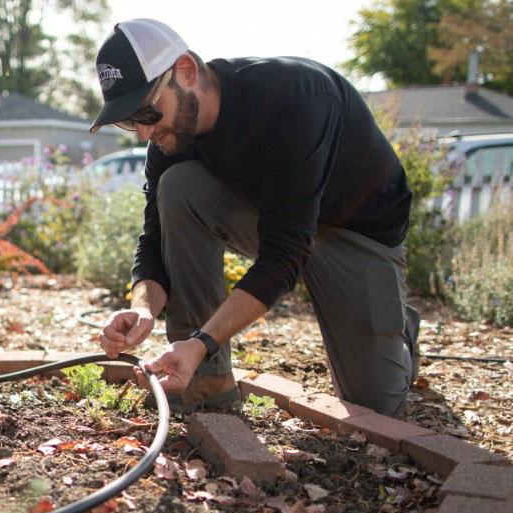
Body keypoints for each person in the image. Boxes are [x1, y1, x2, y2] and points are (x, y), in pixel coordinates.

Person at [90, 18, 420, 417]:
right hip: (280, 227)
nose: (142, 134)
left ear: (187, 71)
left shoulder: (294, 99)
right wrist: (144, 308)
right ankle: (204, 380)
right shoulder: (172, 137)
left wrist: (201, 340)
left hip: (356, 237)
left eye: (146, 112)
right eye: (130, 120)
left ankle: (397, 326)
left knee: (377, 411)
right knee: (178, 185)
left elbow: (285, 254)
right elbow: (154, 239)